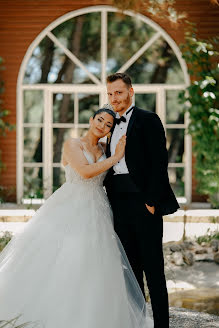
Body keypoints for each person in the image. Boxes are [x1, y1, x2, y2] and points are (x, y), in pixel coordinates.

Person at [0, 107, 153, 328]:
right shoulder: (73, 144)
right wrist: (116, 157)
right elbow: (85, 172)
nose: (102, 126)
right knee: (67, 255)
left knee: (99, 261)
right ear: (91, 119)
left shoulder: (105, 148)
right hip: (71, 204)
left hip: (99, 207)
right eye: (99, 120)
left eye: (108, 124)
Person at [104, 73, 180, 328]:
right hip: (119, 204)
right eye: (111, 93)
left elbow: (160, 163)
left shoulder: (149, 119)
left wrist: (151, 201)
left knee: (154, 271)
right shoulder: (109, 125)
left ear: (130, 92)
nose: (114, 98)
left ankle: (161, 326)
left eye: (119, 92)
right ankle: (137, 323)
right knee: (131, 270)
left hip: (144, 203)